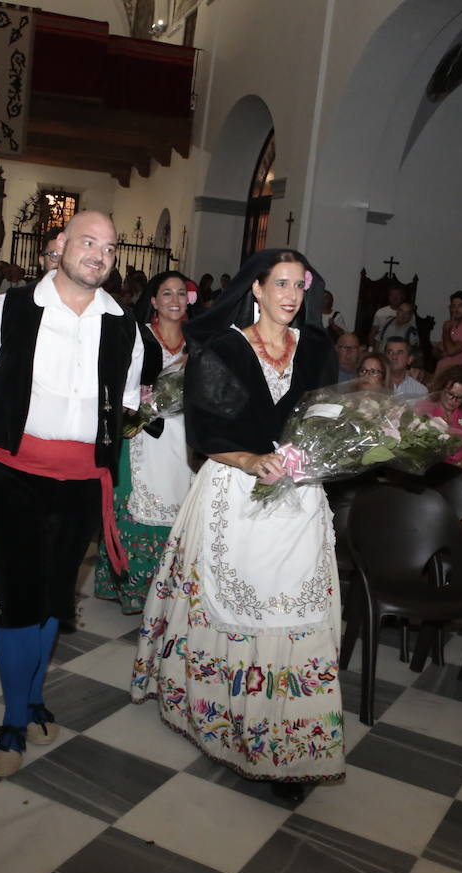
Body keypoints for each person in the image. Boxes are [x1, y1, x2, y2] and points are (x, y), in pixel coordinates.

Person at [133, 248, 342, 799]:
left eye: (299, 285)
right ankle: (225, 719)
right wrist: (251, 460)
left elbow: (326, 419)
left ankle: (291, 746)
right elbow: (206, 434)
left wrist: (327, 452)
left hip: (299, 499)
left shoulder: (318, 348)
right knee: (233, 607)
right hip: (234, 494)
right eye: (281, 284)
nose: (291, 295)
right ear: (257, 288)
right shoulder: (222, 349)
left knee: (295, 610)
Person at [0, 211, 143, 778]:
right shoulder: (10, 308)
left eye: (109, 247)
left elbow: (124, 403)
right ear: (61, 244)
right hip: (16, 474)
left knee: (56, 594)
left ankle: (33, 699)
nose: (98, 254)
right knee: (18, 597)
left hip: (84, 479)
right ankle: (13, 722)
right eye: (88, 241)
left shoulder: (122, 324)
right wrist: (18, 430)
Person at [94, 270, 195, 616]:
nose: (174, 300)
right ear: (153, 300)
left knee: (180, 504)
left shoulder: (198, 342)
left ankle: (168, 590)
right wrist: (139, 403)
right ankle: (133, 587)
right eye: (167, 293)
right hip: (142, 435)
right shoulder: (138, 336)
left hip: (184, 437)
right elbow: (117, 382)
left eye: (180, 293)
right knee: (137, 505)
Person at [422, 364, 462, 477]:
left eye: (460, 397)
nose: (453, 400)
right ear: (441, 388)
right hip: (428, 471)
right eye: (450, 394)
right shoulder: (425, 408)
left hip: (459, 473)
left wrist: (456, 468)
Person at [435, 290, 462, 369]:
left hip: (455, 373)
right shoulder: (451, 324)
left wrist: (446, 330)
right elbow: (434, 351)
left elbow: (451, 351)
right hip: (441, 370)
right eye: (453, 306)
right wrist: (441, 351)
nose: (456, 309)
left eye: (460, 305)